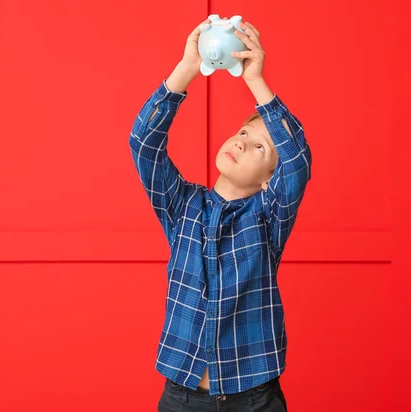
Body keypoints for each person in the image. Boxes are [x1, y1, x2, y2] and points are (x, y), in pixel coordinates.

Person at [128, 17, 312, 412]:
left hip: (254, 397)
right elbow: (144, 143)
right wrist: (188, 69)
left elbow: (296, 160)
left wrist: (255, 80)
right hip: (182, 395)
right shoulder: (183, 207)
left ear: (269, 180)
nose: (243, 144)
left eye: (261, 148)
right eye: (244, 134)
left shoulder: (267, 216)